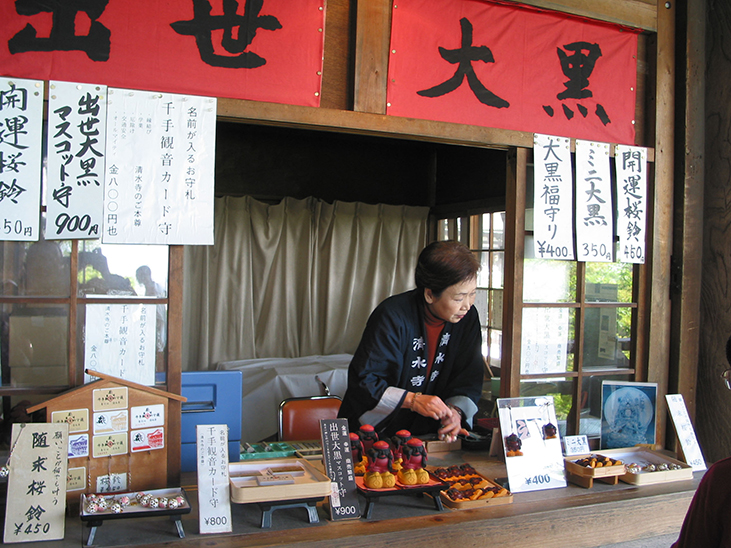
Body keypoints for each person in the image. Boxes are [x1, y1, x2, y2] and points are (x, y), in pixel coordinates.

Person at [338, 240, 484, 442]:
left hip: (430, 435)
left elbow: (469, 375)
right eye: (459, 298)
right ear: (430, 294)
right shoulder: (392, 316)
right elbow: (365, 381)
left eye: (472, 294)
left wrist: (455, 413)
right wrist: (413, 400)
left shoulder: (467, 319)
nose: (466, 305)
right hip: (374, 433)